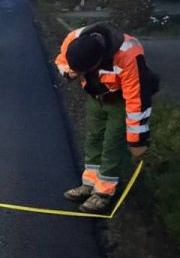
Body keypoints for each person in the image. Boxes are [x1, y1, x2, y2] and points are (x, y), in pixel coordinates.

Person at [55, 23, 158, 214]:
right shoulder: (74, 39)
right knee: (93, 138)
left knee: (112, 144)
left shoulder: (128, 54)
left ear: (98, 61)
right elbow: (61, 60)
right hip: (96, 97)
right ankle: (89, 184)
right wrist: (68, 72)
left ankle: (103, 193)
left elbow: (137, 100)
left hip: (119, 101)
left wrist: (137, 141)